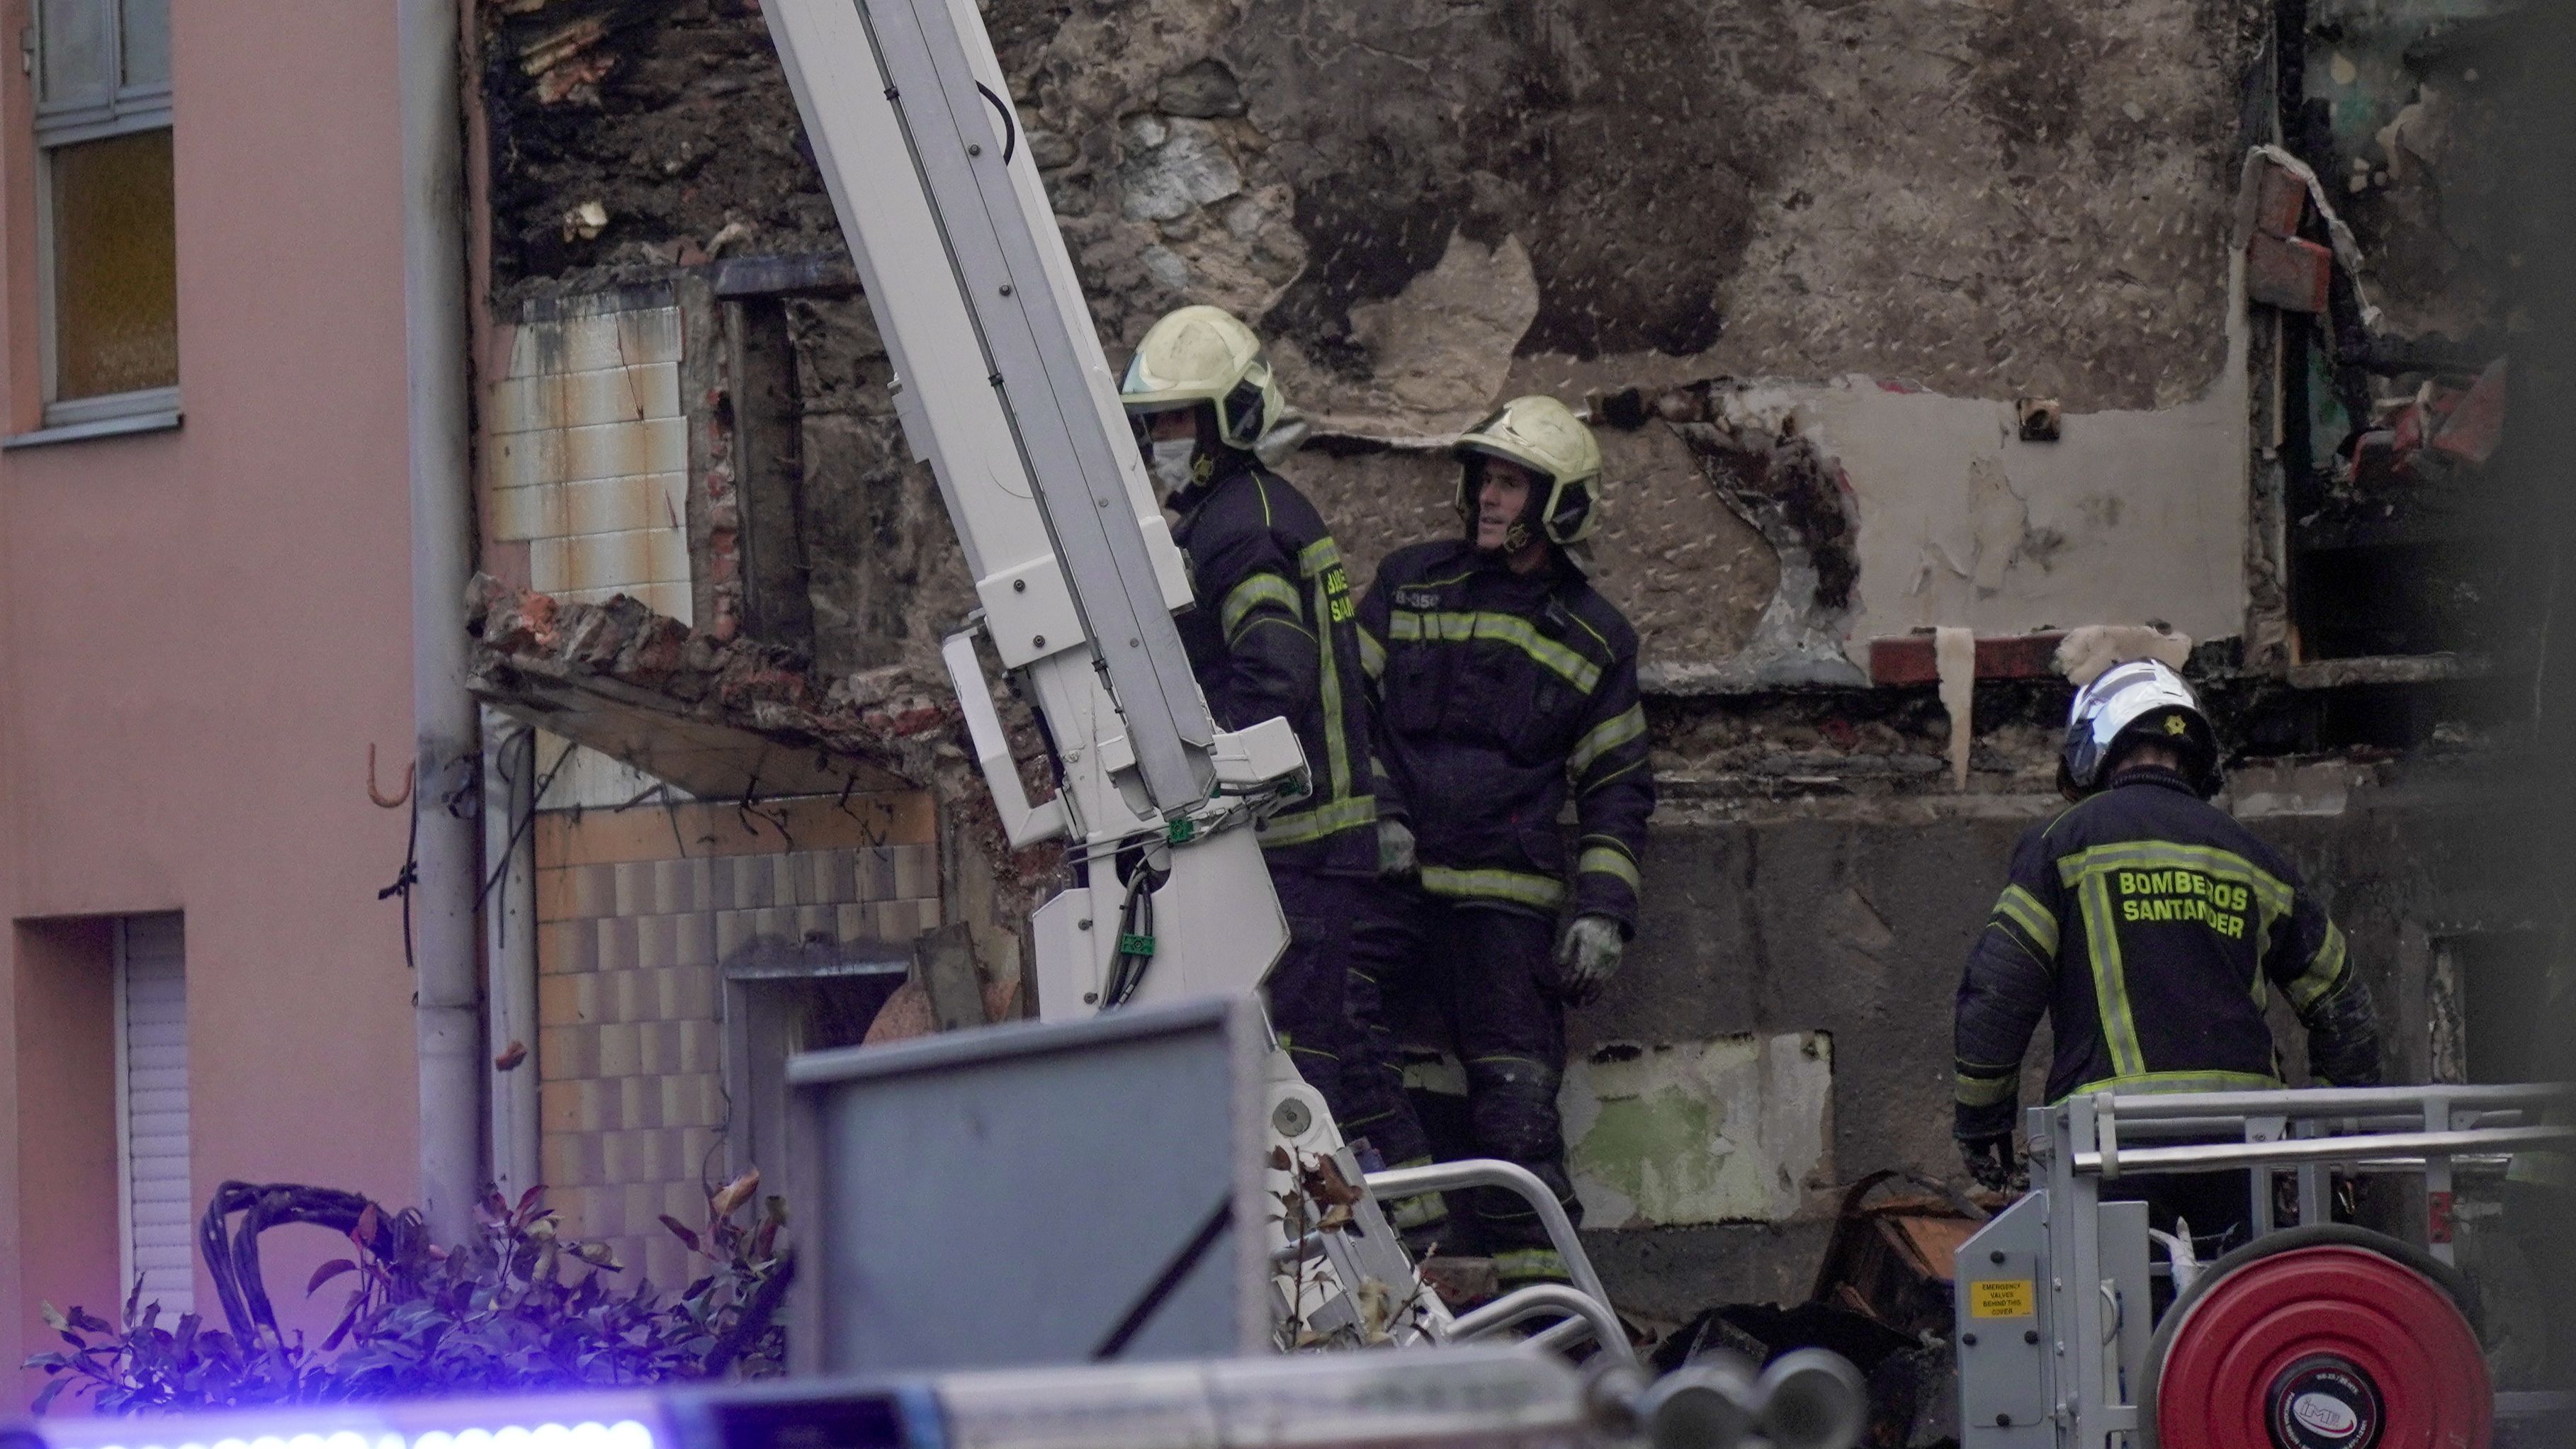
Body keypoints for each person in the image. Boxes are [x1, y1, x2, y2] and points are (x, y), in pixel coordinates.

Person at [1118, 304, 1430, 1177]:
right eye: (1154, 423)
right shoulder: (1257, 507)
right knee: (1339, 1055)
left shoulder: (1239, 527)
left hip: (1296, 844)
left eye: (1177, 420)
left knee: (1298, 1069)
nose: (1161, 440)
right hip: (1315, 846)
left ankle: (1329, 1271)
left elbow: (1272, 673)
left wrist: (1187, 768)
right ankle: (1419, 1245)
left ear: (1229, 420)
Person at [1356, 395, 1654, 1289]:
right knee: (1351, 1061)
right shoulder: (1408, 582)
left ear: (1559, 505)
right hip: (1392, 893)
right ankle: (1404, 1273)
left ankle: (1552, 1331)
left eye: (1513, 483)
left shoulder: (1598, 635)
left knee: (1518, 1123)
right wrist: (1380, 814)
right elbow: (1345, 716)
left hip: (1507, 913)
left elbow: (1618, 786)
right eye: (1486, 477)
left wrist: (1604, 914)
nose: (1489, 497)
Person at [1952, 659, 2381, 1254]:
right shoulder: (2253, 855)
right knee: (2235, 1330)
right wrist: (2337, 1142)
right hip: (2246, 1156)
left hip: (2114, 1152)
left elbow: (1998, 988)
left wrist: (1982, 1123)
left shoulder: (2066, 842)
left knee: (2113, 1330)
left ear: (2095, 742)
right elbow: (2343, 1001)